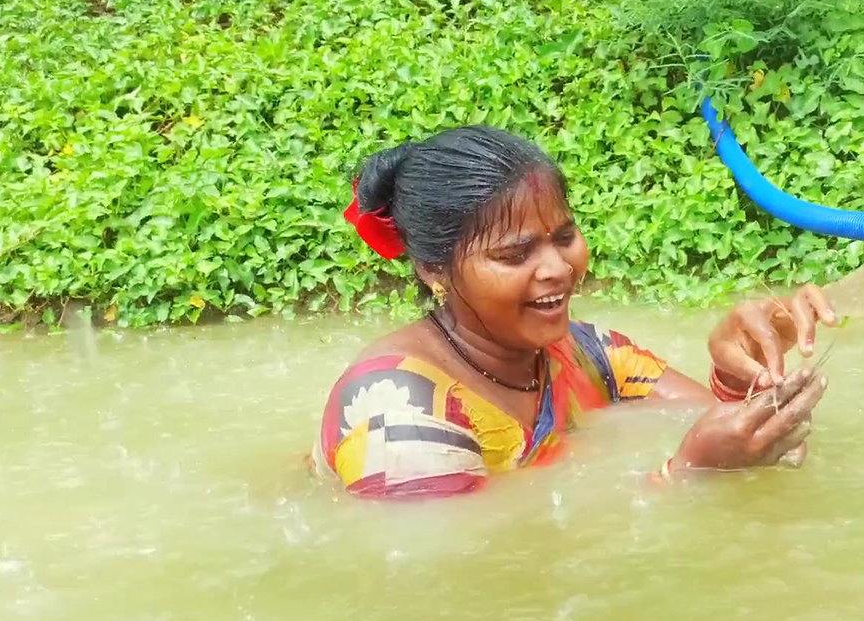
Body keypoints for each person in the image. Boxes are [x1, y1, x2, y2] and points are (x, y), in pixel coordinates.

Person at [313, 125, 836, 500]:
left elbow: (719, 430)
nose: (558, 268)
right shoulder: (394, 416)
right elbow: (464, 581)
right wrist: (684, 474)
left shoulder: (587, 352)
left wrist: (738, 371)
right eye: (515, 254)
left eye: (564, 237)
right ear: (433, 270)